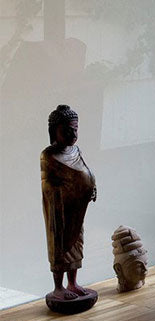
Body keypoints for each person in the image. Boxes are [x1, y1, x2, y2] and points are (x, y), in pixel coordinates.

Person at [41, 104, 96, 302]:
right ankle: (58, 287)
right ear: (54, 131)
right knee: (59, 246)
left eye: (75, 129)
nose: (72, 134)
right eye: (67, 130)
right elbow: (48, 184)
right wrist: (63, 192)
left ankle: (73, 282)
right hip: (59, 210)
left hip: (76, 208)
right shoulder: (49, 156)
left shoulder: (75, 150)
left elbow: (84, 171)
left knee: (76, 243)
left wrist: (90, 186)